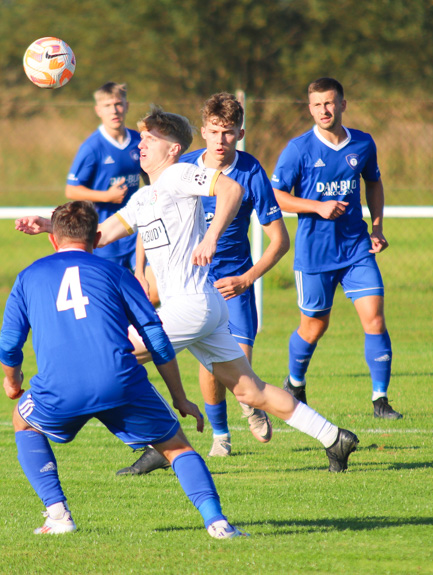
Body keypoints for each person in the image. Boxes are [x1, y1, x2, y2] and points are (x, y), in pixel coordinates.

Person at [16, 106, 360, 473]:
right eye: (142, 138)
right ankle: (334, 438)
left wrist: (211, 236)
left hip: (191, 306)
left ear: (174, 149)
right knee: (250, 391)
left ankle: (159, 442)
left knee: (113, 358)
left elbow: (231, 187)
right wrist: (48, 224)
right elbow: (97, 237)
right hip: (202, 308)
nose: (141, 145)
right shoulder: (143, 198)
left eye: (151, 139)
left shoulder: (180, 174)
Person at [0, 200, 246, 539]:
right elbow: (156, 336)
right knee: (177, 449)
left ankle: (58, 516)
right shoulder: (116, 273)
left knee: (23, 421)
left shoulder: (28, 277)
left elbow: (9, 345)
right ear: (98, 237)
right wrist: (179, 398)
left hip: (59, 387)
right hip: (120, 381)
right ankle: (217, 523)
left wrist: (13, 382)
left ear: (53, 240)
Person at [129, 93, 290, 465]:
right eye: (214, 131)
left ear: (240, 133)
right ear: (202, 131)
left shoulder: (250, 172)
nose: (220, 140)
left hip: (232, 282)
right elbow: (148, 215)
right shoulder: (180, 166)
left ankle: (250, 405)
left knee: (241, 370)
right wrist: (139, 269)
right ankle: (220, 436)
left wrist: (247, 279)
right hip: (191, 283)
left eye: (229, 133)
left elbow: (279, 241)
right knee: (209, 370)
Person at [270, 77, 402, 419]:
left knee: (374, 318)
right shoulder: (298, 149)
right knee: (314, 326)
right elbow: (277, 195)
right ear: (309, 108)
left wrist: (377, 228)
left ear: (343, 104)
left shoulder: (362, 143)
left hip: (356, 249)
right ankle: (295, 383)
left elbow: (373, 181)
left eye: (329, 103)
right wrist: (317, 206)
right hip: (314, 254)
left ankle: (380, 400)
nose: (324, 110)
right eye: (317, 104)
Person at [65, 82, 143, 270]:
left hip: (137, 233)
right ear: (98, 110)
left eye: (118, 104)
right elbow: (71, 190)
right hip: (105, 235)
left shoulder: (139, 141)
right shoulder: (92, 147)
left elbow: (151, 177)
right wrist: (107, 196)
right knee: (113, 295)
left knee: (151, 290)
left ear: (127, 106)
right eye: (107, 106)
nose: (114, 111)